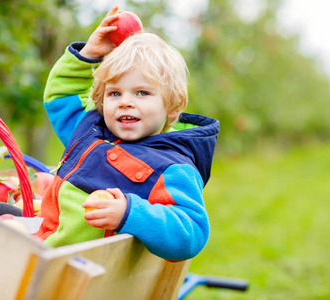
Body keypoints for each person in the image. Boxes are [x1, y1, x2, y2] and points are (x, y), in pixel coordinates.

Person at [34, 7, 219, 261]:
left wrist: (130, 213)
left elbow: (191, 232)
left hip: (92, 275)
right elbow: (61, 97)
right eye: (115, 93)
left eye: (142, 93)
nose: (125, 102)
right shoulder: (91, 131)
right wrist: (88, 55)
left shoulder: (171, 167)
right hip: (44, 252)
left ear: (173, 105)